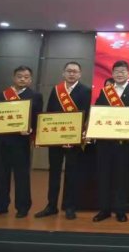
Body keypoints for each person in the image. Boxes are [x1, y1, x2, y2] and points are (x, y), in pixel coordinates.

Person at [34, 62, 91, 220]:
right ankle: (51, 206)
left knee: (72, 174)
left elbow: (86, 114)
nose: (72, 74)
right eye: (69, 71)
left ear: (80, 74)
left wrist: (76, 133)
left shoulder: (86, 91)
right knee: (54, 172)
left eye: (75, 71)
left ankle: (70, 207)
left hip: (73, 139)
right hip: (56, 139)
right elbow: (49, 112)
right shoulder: (56, 90)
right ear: (63, 73)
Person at [0, 66, 43, 218]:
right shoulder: (3, 94)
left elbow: (38, 119)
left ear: (30, 79)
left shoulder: (35, 96)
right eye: (19, 76)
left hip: (20, 142)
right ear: (14, 77)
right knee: (1, 175)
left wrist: (30, 130)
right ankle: (0, 206)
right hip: (2, 141)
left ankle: (22, 207)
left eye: (26, 77)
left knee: (21, 176)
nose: (22, 79)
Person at [92, 60, 129, 223]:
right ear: (112, 74)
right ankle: (104, 210)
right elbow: (98, 113)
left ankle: (120, 210)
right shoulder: (106, 91)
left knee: (121, 177)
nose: (119, 74)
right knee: (104, 176)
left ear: (128, 73)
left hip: (123, 143)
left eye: (122, 71)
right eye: (116, 71)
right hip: (105, 142)